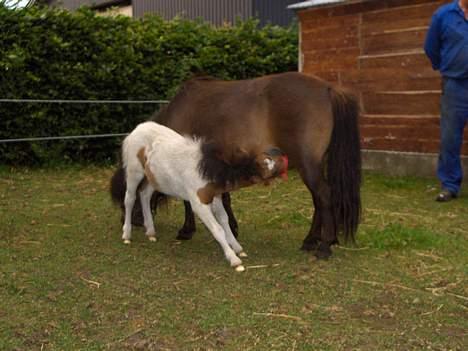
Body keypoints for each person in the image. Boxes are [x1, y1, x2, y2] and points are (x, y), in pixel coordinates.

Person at [424, 0, 468, 202]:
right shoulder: (443, 15)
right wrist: (446, 68)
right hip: (455, 85)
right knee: (450, 137)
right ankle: (450, 185)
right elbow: (431, 47)